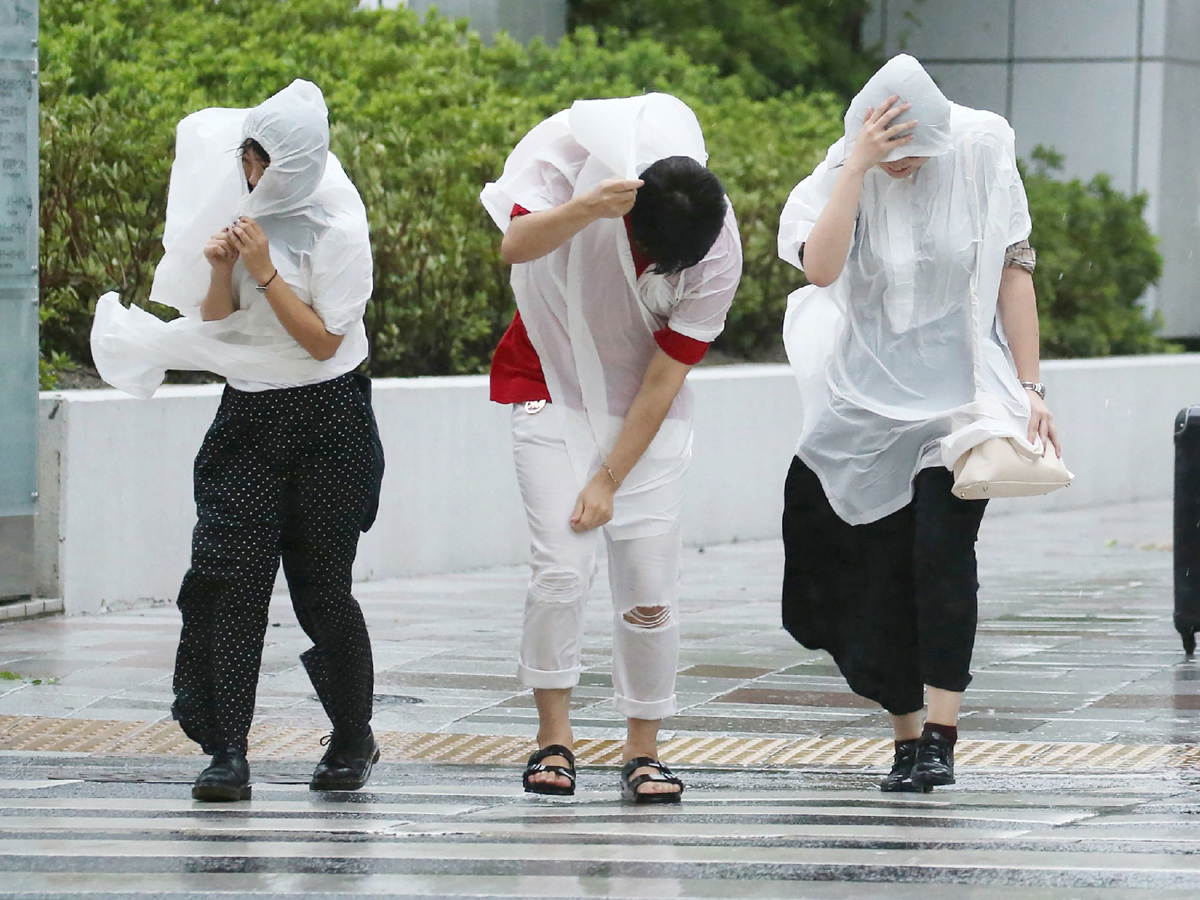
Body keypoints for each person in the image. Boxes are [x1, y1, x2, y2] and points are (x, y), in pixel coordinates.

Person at [91, 80, 385, 801]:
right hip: (249, 419)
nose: (246, 173)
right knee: (227, 579)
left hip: (330, 419)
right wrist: (223, 268)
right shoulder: (241, 213)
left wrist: (263, 269)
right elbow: (217, 322)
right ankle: (226, 749)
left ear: (285, 164)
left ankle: (353, 735)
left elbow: (322, 343)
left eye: (255, 161)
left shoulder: (339, 226)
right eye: (244, 159)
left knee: (322, 590)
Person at [776, 55, 1059, 793]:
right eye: (890, 157)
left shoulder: (982, 148)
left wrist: (1029, 386)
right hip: (863, 402)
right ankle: (903, 729)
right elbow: (820, 269)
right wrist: (856, 169)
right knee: (866, 575)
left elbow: (1013, 268)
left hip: (961, 398)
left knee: (941, 553)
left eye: (912, 157)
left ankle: (941, 736)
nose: (904, 169)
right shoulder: (847, 169)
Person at [480, 93, 742, 803]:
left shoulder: (712, 237)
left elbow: (663, 378)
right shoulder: (573, 172)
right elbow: (514, 245)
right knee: (560, 573)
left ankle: (642, 750)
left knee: (648, 588)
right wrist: (585, 212)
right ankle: (553, 741)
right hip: (547, 386)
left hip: (641, 415)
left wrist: (607, 477)